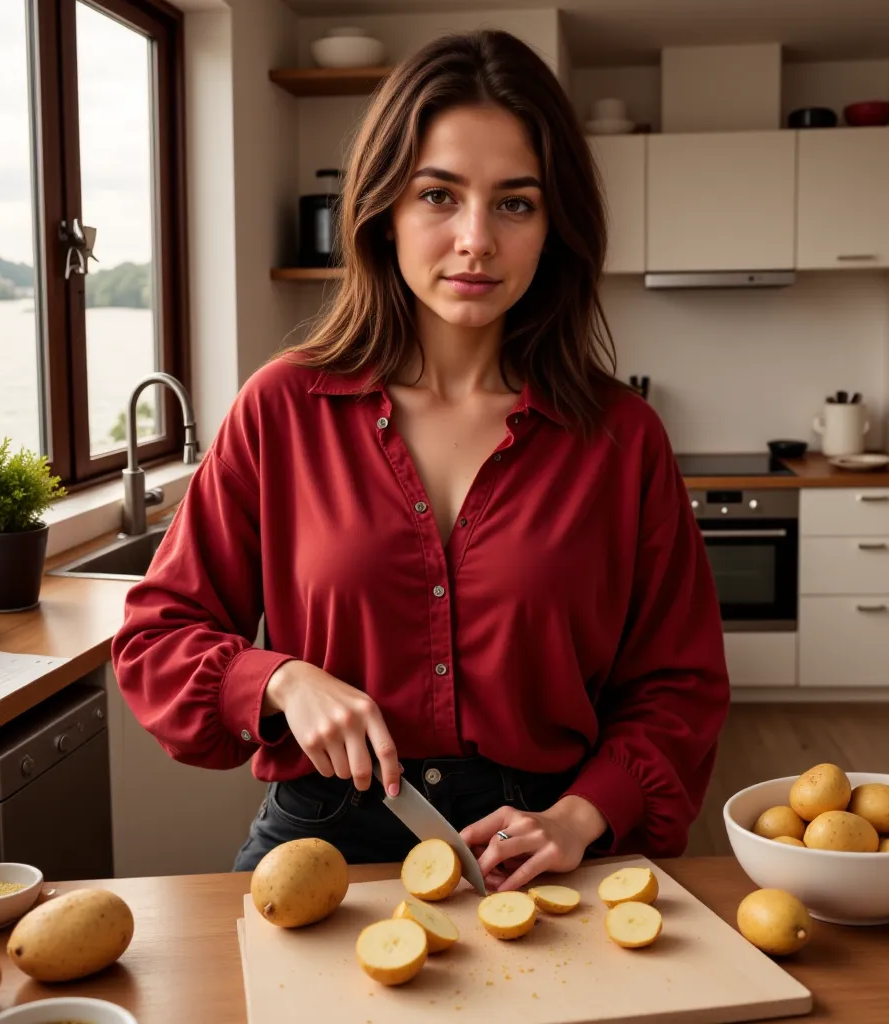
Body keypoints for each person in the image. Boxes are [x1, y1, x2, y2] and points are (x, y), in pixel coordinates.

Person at [111, 29, 730, 894]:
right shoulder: (281, 409)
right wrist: (280, 679)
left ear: (555, 227)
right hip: (323, 841)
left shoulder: (622, 438)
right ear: (383, 210)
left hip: (543, 844)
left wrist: (583, 815)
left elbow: (680, 684)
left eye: (515, 203)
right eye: (439, 195)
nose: (475, 239)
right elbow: (156, 637)